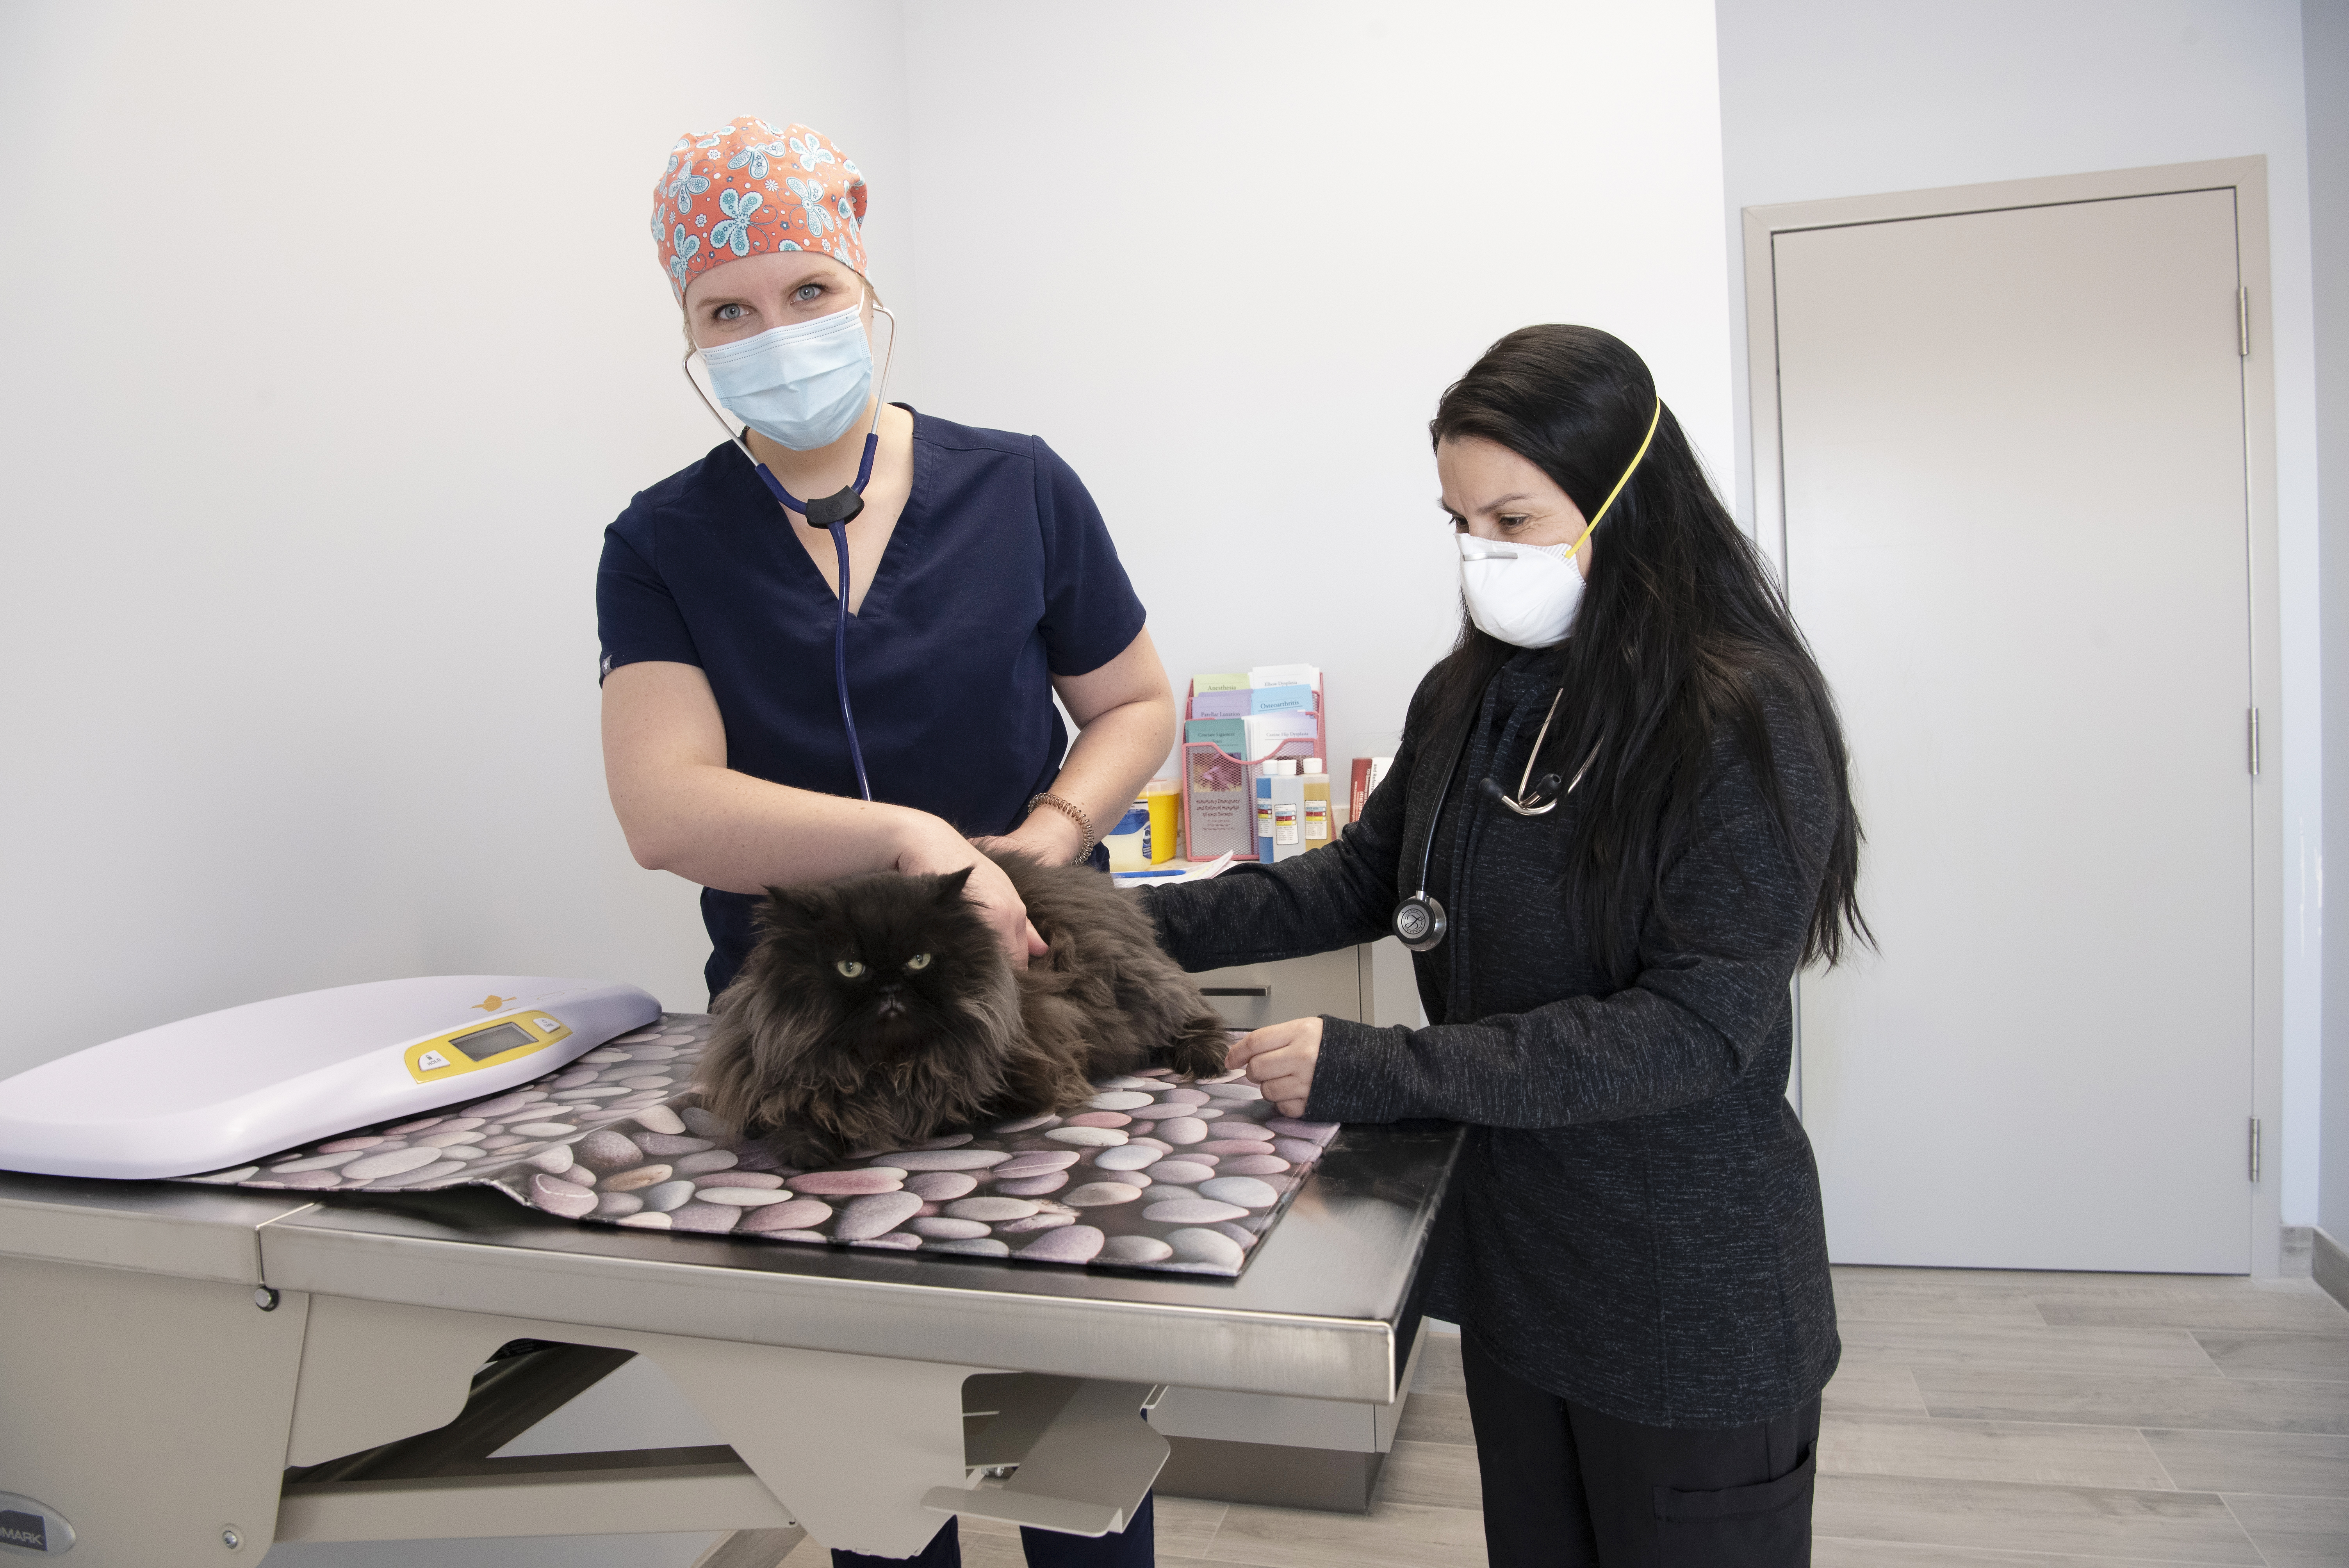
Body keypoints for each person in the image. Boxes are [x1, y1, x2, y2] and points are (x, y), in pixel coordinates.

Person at [1144, 326, 1865, 1566]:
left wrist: (1373, 1068)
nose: (1483, 555)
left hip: (1687, 1294)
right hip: (1525, 1273)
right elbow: (1368, 880)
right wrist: (1112, 923)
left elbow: (1693, 1032)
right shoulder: (1471, 696)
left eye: (1514, 521)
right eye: (1458, 521)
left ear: (1629, 504)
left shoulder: (1740, 719)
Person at [596, 116, 1168, 1568]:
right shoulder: (659, 543)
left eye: (807, 294)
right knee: (872, 1471)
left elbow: (1137, 703)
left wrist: (1043, 834)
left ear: (865, 290)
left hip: (1034, 999)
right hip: (810, 1045)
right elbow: (665, 807)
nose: (773, 334)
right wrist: (914, 836)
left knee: (1071, 1439)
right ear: (688, 331)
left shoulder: (1020, 486)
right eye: (726, 309)